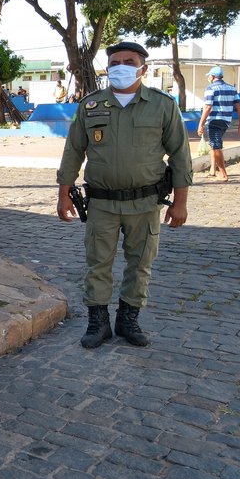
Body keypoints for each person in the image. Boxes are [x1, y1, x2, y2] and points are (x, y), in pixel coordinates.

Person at [57, 41, 193, 349]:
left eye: (129, 61)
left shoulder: (163, 105)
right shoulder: (89, 106)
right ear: (107, 68)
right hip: (101, 204)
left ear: (143, 68)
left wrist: (181, 203)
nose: (121, 66)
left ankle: (128, 319)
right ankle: (99, 322)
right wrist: (64, 194)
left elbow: (180, 156)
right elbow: (73, 152)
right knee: (98, 263)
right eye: (115, 61)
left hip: (146, 204)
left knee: (140, 264)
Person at [197, 65, 240, 182]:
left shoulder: (210, 88)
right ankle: (213, 170)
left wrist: (201, 123)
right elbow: (239, 105)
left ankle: (223, 174)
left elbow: (208, 106)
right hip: (226, 121)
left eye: (209, 76)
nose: (209, 77)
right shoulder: (231, 88)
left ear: (213, 77)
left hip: (214, 120)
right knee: (214, 145)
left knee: (216, 146)